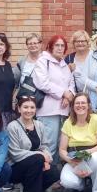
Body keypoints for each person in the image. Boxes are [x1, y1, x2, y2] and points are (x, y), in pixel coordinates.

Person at [7, 95, 60, 192]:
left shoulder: (39, 125)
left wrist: (47, 158)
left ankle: (29, 187)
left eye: (32, 107)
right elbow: (14, 153)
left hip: (37, 162)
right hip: (16, 167)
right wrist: (40, 155)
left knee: (54, 173)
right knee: (37, 159)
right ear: (19, 109)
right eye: (25, 107)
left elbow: (45, 145)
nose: (29, 110)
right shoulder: (12, 127)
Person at [32, 35, 76, 163]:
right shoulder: (43, 61)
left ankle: (55, 173)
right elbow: (42, 83)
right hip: (48, 111)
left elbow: (71, 83)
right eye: (57, 45)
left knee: (60, 146)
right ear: (50, 46)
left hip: (64, 111)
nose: (60, 48)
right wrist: (63, 93)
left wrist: (69, 96)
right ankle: (46, 173)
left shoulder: (64, 63)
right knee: (49, 146)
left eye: (62, 46)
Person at [59, 92, 97, 192]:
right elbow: (62, 150)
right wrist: (71, 162)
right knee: (66, 181)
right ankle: (81, 186)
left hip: (91, 155)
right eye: (77, 103)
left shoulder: (95, 119)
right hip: (73, 158)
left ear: (88, 105)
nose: (80, 105)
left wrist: (87, 152)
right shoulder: (68, 122)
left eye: (83, 103)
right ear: (73, 106)